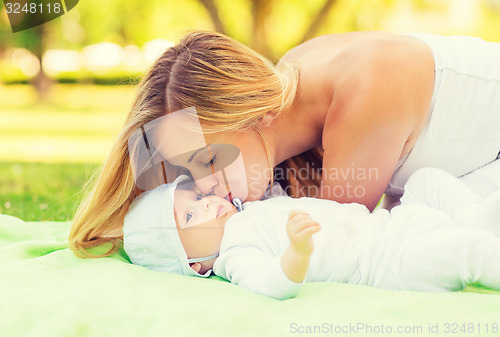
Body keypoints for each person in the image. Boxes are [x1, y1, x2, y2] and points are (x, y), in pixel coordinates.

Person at [69, 30, 500, 258]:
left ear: (258, 112)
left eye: (208, 160)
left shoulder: (362, 94)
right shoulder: (292, 81)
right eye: (189, 169)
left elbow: (337, 242)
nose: (203, 187)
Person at [123, 167, 500, 300]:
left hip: (393, 224)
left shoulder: (246, 209)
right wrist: (296, 253)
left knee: (425, 180)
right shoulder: (234, 254)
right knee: (468, 251)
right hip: (388, 264)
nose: (206, 203)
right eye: (190, 214)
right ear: (195, 264)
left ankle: (477, 215)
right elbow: (269, 284)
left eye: (197, 197)